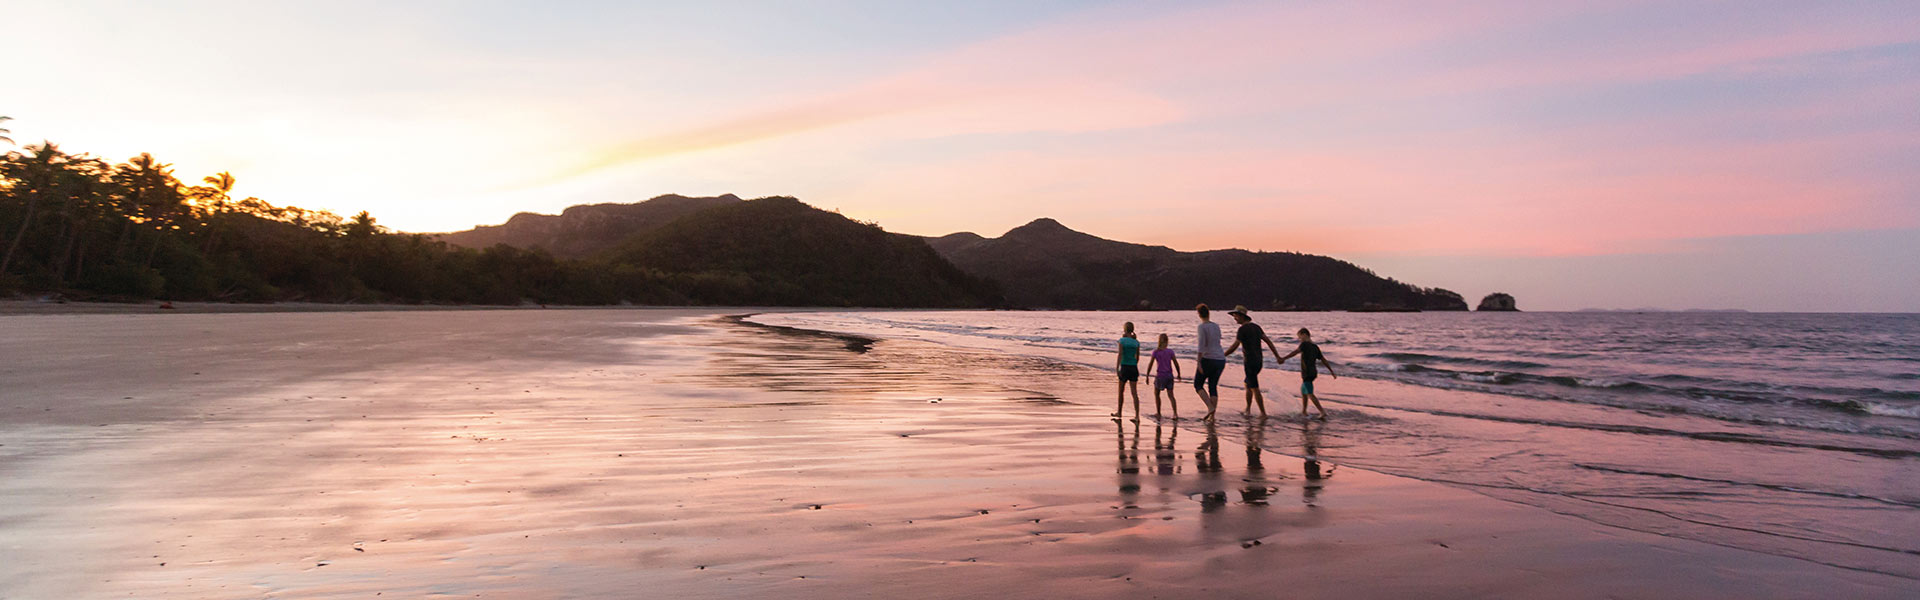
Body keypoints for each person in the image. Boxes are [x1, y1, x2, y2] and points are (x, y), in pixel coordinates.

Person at [1222, 305, 1283, 417]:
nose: (1234, 318)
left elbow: (1234, 346)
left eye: (1235, 316)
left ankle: (1263, 413)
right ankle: (1248, 409)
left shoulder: (1242, 329)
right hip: (1259, 361)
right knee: (1248, 384)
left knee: (1254, 387)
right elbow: (1268, 342)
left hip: (1250, 362)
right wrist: (1277, 356)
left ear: (1241, 316)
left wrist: (1222, 355)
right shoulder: (1256, 327)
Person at [1279, 327, 1338, 420]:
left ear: (1304, 334)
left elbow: (1295, 352)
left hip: (1307, 372)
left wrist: (1283, 358)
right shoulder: (1315, 347)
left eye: (1299, 337)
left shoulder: (1304, 344)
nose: (1299, 339)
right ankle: (1304, 411)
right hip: (1313, 372)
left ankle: (1322, 411)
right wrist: (1332, 372)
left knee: (1309, 393)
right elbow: (1324, 360)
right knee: (1303, 391)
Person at [1192, 304, 1227, 421]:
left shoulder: (1202, 327)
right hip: (1220, 359)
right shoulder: (1216, 326)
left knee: (1198, 384)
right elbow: (1217, 340)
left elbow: (1201, 344)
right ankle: (1212, 417)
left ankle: (1210, 407)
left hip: (1209, 359)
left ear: (1199, 314)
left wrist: (1198, 362)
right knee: (1213, 386)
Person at [1145, 333, 1183, 418]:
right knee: (1171, 395)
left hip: (1160, 376)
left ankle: (1158, 412)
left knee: (1157, 394)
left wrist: (1147, 375)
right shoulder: (1170, 352)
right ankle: (1175, 413)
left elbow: (1150, 364)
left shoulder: (1156, 352)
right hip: (1169, 375)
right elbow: (1176, 363)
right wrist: (1179, 374)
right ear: (1167, 341)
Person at [1113, 321, 1142, 422]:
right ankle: (1137, 415)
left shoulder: (1122, 341)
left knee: (1121, 391)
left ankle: (1119, 412)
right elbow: (1137, 357)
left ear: (1124, 329)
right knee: (1134, 393)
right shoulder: (1136, 342)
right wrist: (1134, 363)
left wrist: (1117, 367)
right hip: (1133, 367)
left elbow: (1120, 354)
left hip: (1125, 366)